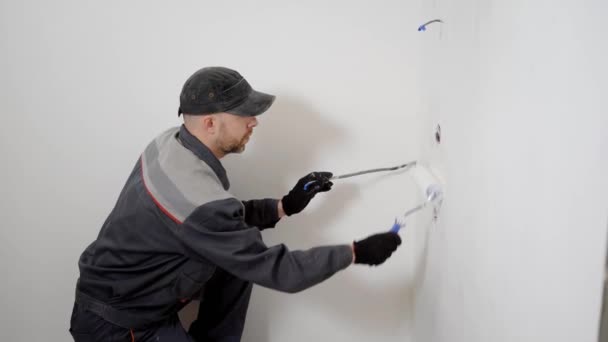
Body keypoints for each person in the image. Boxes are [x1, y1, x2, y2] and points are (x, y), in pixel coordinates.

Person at [69, 66, 402, 342]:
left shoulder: (170, 142)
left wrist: (285, 205)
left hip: (124, 295)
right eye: (245, 113)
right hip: (120, 326)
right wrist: (355, 252)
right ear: (210, 122)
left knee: (235, 262)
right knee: (247, 259)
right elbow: (278, 270)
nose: (254, 121)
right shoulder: (198, 199)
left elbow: (207, 221)